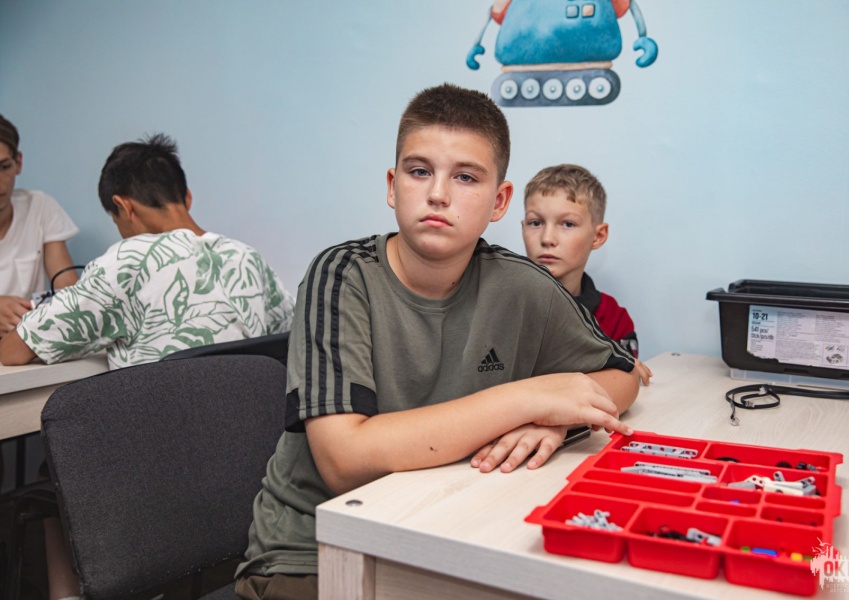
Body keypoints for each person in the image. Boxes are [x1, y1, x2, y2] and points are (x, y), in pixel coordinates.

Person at [234, 83, 641, 600]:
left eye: (465, 177)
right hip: (315, 551)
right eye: (419, 171)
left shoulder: (520, 284)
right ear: (392, 185)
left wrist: (555, 421)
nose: (438, 194)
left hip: (449, 526)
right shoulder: (340, 276)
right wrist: (526, 399)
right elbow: (344, 460)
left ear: (499, 201)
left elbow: (623, 373)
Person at [0, 133, 295, 369]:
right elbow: (291, 333)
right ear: (187, 197)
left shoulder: (127, 261)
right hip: (249, 420)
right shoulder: (246, 257)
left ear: (124, 207)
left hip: (162, 423)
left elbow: (13, 351)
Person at [521, 163, 640, 357]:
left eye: (568, 224)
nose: (547, 239)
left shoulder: (614, 319)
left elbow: (627, 374)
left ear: (598, 236)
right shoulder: (498, 306)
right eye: (535, 223)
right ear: (523, 227)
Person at [0, 113, 79, 339]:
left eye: (3, 167)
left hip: (28, 345)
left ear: (18, 163)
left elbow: (69, 293)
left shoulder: (40, 207)